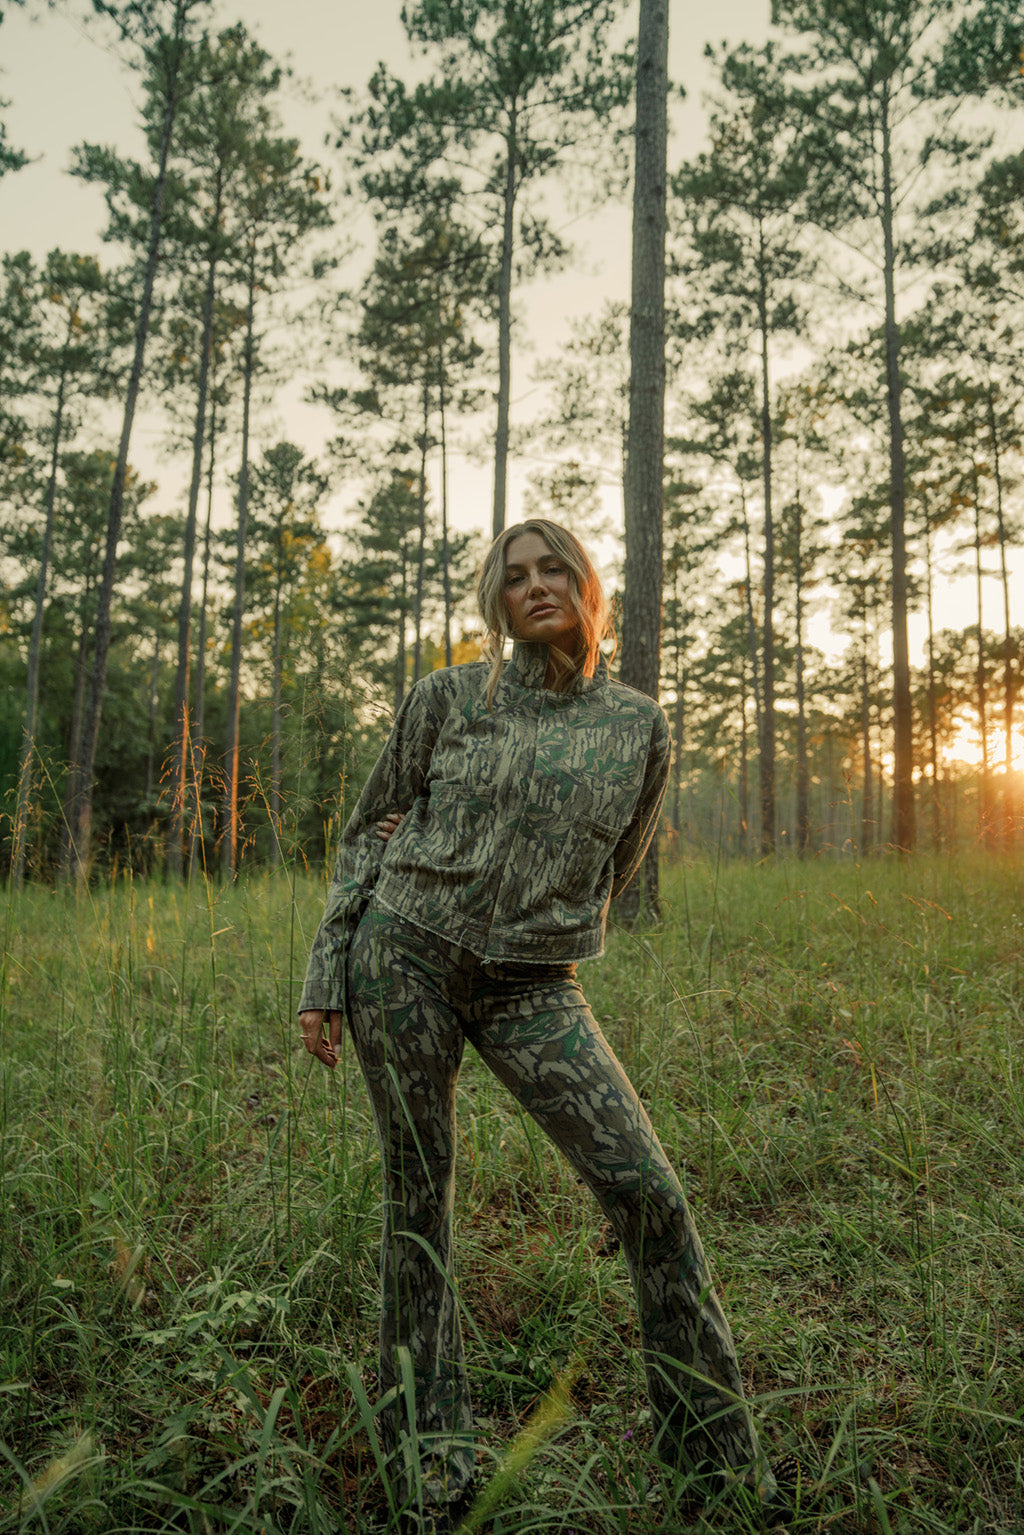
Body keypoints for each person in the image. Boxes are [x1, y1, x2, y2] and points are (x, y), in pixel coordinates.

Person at [299, 520, 776, 1529]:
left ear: (588, 582)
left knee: (649, 1194)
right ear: (495, 599)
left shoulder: (636, 725)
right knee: (418, 1200)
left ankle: (717, 1469)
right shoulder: (444, 697)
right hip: (406, 954)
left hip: (533, 986)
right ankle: (429, 1459)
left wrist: (539, 915)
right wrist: (326, 968)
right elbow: (366, 829)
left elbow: (621, 864)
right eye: (512, 576)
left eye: (552, 565)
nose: (533, 585)